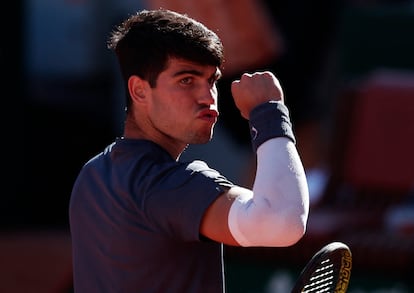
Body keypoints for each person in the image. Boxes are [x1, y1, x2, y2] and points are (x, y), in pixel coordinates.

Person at [69, 8, 309, 293]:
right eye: (186, 80)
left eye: (212, 81)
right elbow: (280, 221)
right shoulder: (172, 185)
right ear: (139, 91)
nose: (207, 98)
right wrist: (269, 113)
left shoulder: (92, 174)